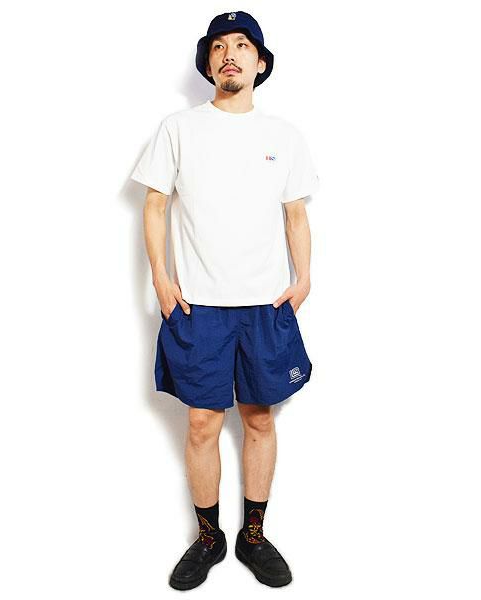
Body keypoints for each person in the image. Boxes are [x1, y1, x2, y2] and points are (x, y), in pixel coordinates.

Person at [130, 11, 319, 590]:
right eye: (218, 46)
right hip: (198, 305)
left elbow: (295, 213)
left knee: (259, 418)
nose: (229, 53)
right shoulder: (178, 128)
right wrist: (160, 277)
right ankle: (209, 537)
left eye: (241, 45)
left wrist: (305, 277)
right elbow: (155, 204)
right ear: (208, 62)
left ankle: (252, 536)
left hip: (266, 305)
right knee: (201, 423)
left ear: (260, 63)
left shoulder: (283, 136)